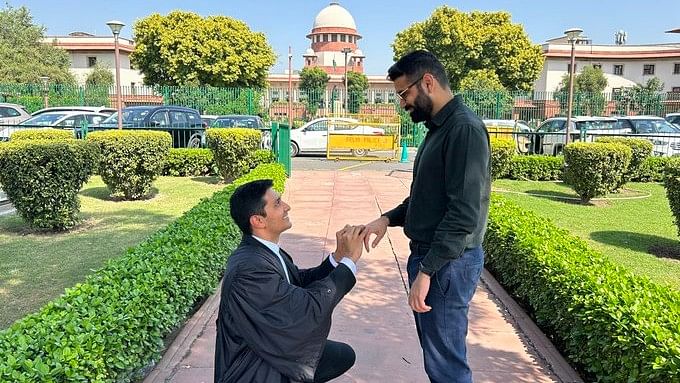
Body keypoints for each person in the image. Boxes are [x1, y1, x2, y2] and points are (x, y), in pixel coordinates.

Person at [363, 50, 491, 383]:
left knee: (446, 364)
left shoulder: (463, 129)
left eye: (404, 93)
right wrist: (386, 219)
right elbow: (427, 198)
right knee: (437, 356)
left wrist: (427, 271)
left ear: (428, 82)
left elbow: (463, 213)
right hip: (436, 258)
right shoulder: (440, 128)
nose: (402, 103)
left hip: (448, 262)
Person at [214, 179, 366, 383]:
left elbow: (297, 282)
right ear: (258, 220)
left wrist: (337, 257)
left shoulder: (262, 251)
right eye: (277, 203)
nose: (287, 206)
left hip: (269, 343)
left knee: (342, 355)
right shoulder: (249, 269)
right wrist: (350, 260)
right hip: (252, 366)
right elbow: (306, 307)